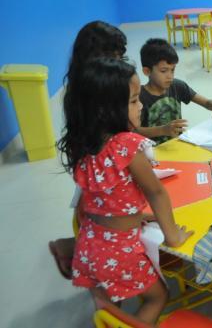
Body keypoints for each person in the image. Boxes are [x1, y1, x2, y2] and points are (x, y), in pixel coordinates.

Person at [57, 58, 192, 323]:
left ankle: (108, 319)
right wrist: (173, 235)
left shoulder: (83, 143)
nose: (141, 106)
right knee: (158, 296)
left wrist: (139, 216)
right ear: (105, 109)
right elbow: (156, 193)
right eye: (133, 101)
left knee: (106, 304)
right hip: (119, 249)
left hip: (89, 241)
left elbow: (105, 196)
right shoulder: (127, 145)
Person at [49, 21, 128, 281]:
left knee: (101, 214)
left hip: (97, 163)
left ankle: (74, 247)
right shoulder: (88, 92)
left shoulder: (88, 84)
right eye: (112, 56)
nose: (117, 63)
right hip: (98, 164)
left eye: (120, 56)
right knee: (104, 216)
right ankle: (75, 249)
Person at [137, 39, 212, 143]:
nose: (170, 76)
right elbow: (135, 131)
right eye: (163, 71)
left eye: (173, 70)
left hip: (177, 145)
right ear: (147, 71)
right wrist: (162, 130)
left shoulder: (177, 86)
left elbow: (206, 103)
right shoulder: (138, 96)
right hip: (152, 152)